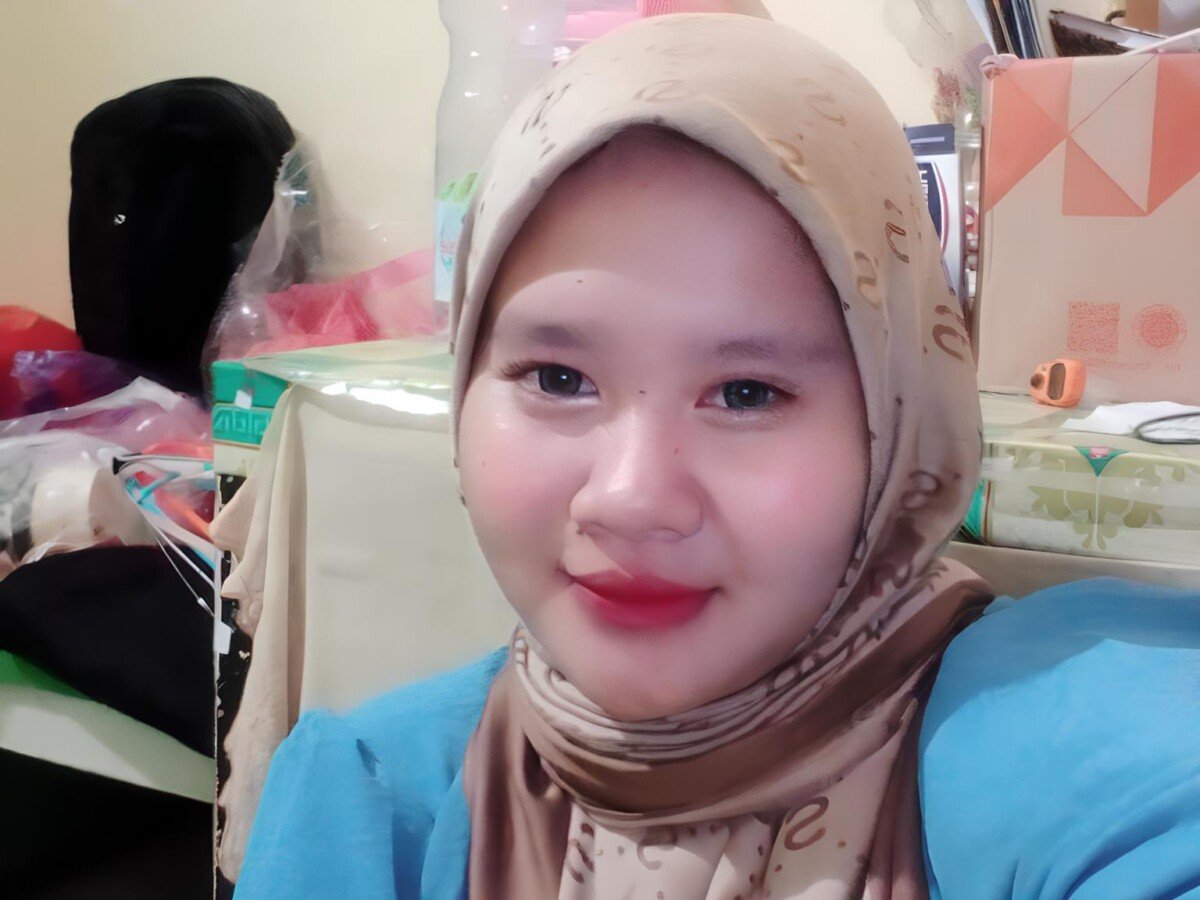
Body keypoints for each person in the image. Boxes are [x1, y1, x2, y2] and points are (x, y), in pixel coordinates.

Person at [234, 13, 1200, 899]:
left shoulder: (1059, 739)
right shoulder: (372, 806)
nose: (630, 499)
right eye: (558, 378)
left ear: (897, 424)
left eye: (746, 393)